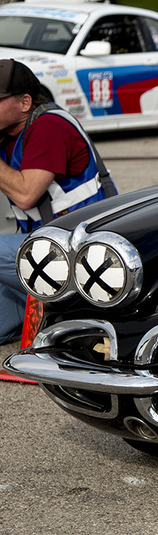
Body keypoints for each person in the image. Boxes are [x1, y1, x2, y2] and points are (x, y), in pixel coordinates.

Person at [0, 59, 115, 341]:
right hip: (43, 253)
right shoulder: (8, 133)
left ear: (24, 102)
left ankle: (68, 316)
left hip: (83, 255)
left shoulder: (49, 126)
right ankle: (45, 321)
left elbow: (26, 194)